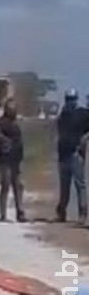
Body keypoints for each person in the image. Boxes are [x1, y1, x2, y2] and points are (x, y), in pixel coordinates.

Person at [56, 89, 89, 223]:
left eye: (72, 99)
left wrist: (85, 138)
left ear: (76, 99)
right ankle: (61, 211)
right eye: (68, 99)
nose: (70, 101)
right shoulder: (63, 114)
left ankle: (83, 213)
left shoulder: (83, 113)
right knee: (64, 186)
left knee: (79, 184)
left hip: (76, 153)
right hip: (63, 154)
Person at [0, 97, 26, 222]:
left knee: (19, 185)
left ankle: (20, 212)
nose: (14, 110)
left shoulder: (15, 121)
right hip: (4, 159)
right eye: (11, 108)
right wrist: (5, 140)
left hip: (16, 158)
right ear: (6, 109)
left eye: (14, 108)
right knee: (5, 185)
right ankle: (3, 214)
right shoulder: (2, 121)